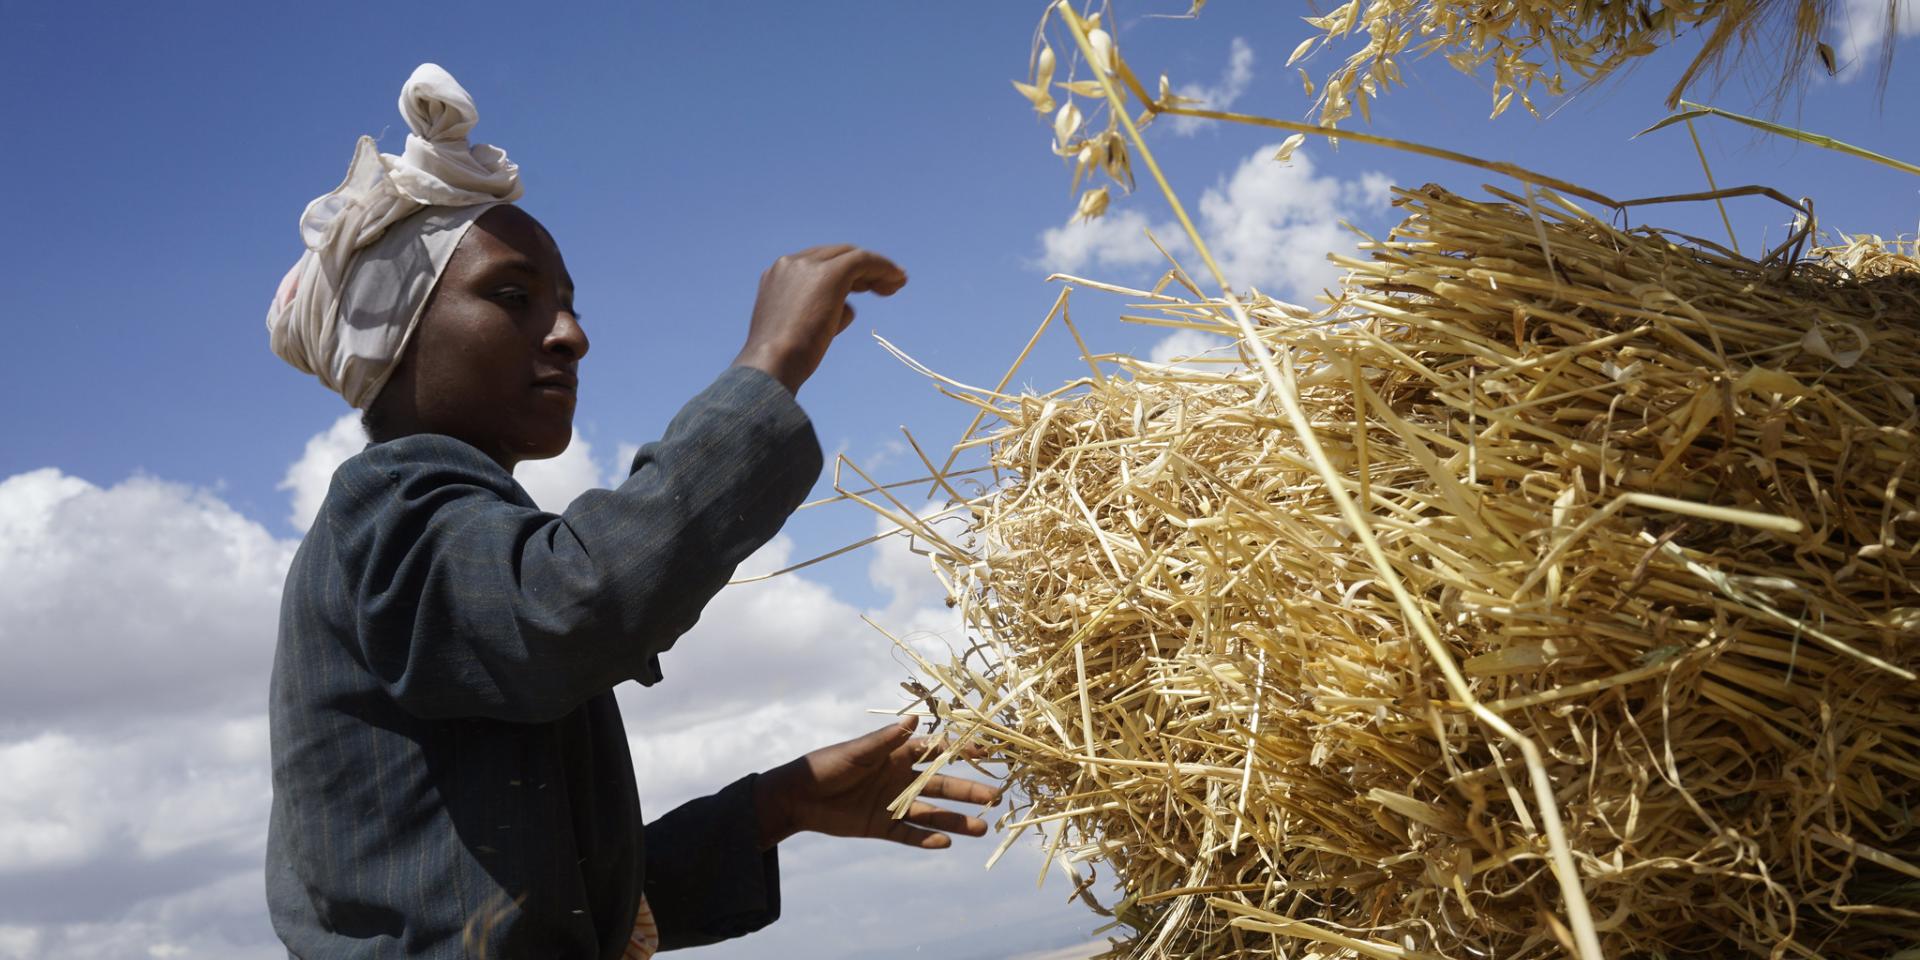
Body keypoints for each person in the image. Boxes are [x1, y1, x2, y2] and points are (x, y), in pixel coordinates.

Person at [263, 64, 994, 959]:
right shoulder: (388, 509)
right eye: (512, 296)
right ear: (395, 338)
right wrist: (766, 370)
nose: (571, 334)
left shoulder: (454, 541)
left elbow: (561, 906)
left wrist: (778, 805)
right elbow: (569, 606)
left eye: (567, 304)